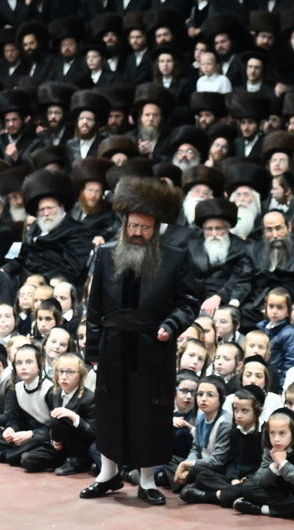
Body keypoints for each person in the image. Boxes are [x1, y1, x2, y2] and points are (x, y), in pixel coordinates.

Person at [80, 175, 200, 505]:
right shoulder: (105, 254)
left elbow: (189, 301)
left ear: (155, 229)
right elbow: (95, 306)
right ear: (125, 225)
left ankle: (147, 480)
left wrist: (171, 325)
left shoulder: (176, 258)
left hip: (153, 346)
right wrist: (92, 350)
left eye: (145, 228)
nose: (138, 233)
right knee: (109, 411)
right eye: (133, 226)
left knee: (150, 414)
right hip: (112, 344)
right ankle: (108, 473)